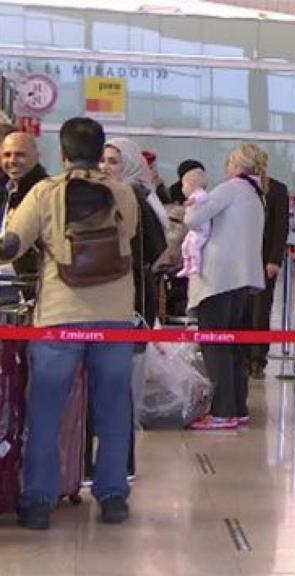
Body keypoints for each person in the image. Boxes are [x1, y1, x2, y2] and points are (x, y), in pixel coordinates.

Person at [3, 117, 138, 529]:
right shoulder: (122, 192)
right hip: (114, 317)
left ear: (62, 154)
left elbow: (12, 245)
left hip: (60, 317)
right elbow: (129, 237)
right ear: (101, 154)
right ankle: (112, 495)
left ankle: (40, 501)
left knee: (46, 411)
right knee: (113, 408)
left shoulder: (45, 192)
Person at [186, 143, 267, 430]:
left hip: (218, 279)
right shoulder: (256, 196)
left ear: (236, 166)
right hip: (242, 281)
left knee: (215, 345)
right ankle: (236, 406)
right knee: (233, 347)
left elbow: (193, 217)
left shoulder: (231, 188)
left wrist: (193, 193)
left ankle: (221, 411)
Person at [101, 138, 168, 329]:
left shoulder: (131, 195)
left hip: (129, 291)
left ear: (129, 164)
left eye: (113, 162)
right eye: (102, 160)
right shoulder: (140, 192)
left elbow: (150, 246)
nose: (104, 167)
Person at [248, 176, 289, 380]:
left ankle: (257, 358)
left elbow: (281, 227)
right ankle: (241, 354)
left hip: (264, 259)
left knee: (260, 309)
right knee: (241, 309)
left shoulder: (277, 189)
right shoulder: (237, 187)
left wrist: (274, 259)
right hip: (241, 260)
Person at [1, 132, 48, 296]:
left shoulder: (44, 192)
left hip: (32, 285)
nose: (12, 160)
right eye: (7, 155)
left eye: (20, 154)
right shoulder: (8, 190)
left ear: (36, 157)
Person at [176, 169, 210, 278]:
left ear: (192, 185)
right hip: (194, 229)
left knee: (194, 247)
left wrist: (192, 201)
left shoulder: (200, 194)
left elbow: (202, 198)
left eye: (184, 185)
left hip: (201, 230)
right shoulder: (193, 196)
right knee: (185, 246)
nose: (182, 189)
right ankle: (187, 266)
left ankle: (196, 265)